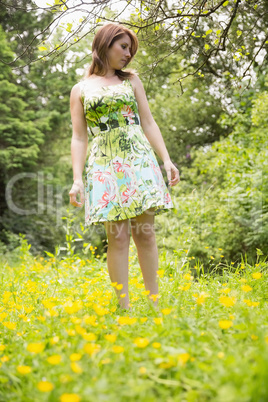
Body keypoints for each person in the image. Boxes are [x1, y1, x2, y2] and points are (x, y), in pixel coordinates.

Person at [69, 23, 180, 311]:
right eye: (123, 46)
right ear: (105, 44)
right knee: (117, 237)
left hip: (138, 159)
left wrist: (166, 159)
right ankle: (124, 308)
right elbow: (79, 136)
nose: (128, 53)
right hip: (104, 164)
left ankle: (155, 304)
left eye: (130, 48)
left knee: (145, 232)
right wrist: (77, 179)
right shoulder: (80, 89)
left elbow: (148, 122)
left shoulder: (132, 81)